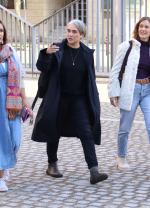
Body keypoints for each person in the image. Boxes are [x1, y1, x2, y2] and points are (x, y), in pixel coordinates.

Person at [31, 19, 108, 184]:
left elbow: (90, 79)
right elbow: (42, 67)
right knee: (54, 130)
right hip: (59, 97)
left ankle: (94, 170)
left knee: (86, 131)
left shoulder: (87, 54)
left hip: (79, 100)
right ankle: (52, 164)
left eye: (74, 32)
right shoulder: (57, 50)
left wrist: (94, 98)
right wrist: (46, 54)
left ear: (82, 35)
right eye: (68, 31)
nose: (70, 34)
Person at [108, 17, 150, 178]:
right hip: (131, 90)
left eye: (147, 27)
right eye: (141, 26)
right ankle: (120, 158)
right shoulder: (127, 46)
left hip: (149, 89)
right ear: (137, 29)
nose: (143, 29)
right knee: (125, 128)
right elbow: (115, 71)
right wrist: (113, 92)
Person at [0, 19, 30, 192]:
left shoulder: (11, 52)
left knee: (15, 139)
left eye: (1, 30)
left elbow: (21, 78)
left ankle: (6, 163)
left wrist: (24, 100)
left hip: (12, 101)